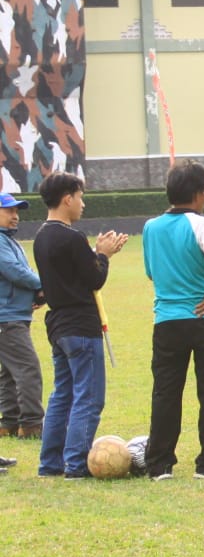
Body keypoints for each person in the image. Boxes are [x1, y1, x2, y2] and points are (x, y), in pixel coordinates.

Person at [142, 161, 204, 480]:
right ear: (196, 193)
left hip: (166, 320)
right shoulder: (203, 224)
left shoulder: (151, 227)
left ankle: (159, 464)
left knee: (166, 392)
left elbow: (152, 273)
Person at [34, 173, 127, 478]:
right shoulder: (72, 237)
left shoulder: (41, 237)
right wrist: (103, 255)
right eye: (80, 196)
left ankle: (50, 463)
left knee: (63, 393)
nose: (82, 203)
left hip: (58, 325)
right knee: (88, 397)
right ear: (67, 198)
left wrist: (98, 254)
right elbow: (94, 279)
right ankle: (76, 464)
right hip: (80, 327)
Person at [0, 190, 43, 456]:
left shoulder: (8, 240)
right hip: (7, 317)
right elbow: (15, 272)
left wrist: (36, 293)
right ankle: (32, 424)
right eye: (9, 211)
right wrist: (45, 285)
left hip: (14, 314)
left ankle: (9, 422)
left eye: (17, 211)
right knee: (28, 369)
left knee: (8, 372)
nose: (15, 216)